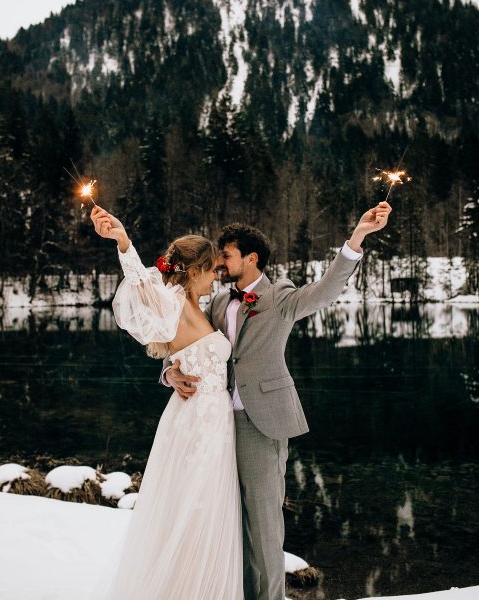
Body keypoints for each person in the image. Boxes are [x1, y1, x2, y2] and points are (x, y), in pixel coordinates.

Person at [161, 200, 392, 600]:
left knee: (264, 523)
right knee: (226, 518)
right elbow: (185, 345)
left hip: (259, 422)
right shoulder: (217, 300)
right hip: (213, 426)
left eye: (227, 256)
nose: (219, 263)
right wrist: (169, 372)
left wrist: (357, 238)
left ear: (250, 259)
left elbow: (325, 291)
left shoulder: (280, 296)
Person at [89, 205, 243, 600]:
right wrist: (123, 241)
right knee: (192, 508)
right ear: (193, 272)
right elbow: (140, 281)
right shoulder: (171, 301)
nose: (216, 276)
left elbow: (188, 354)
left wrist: (171, 370)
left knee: (205, 510)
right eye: (211, 270)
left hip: (212, 423)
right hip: (197, 426)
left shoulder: (200, 306)